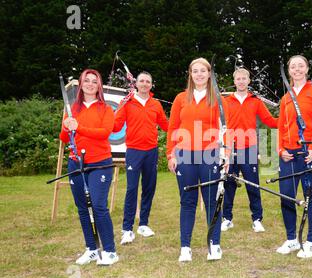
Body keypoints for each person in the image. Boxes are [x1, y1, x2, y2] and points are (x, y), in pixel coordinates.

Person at [167, 57, 229, 262]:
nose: (199, 74)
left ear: (209, 74)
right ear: (190, 74)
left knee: (212, 201)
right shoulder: (180, 98)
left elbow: (226, 131)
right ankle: (185, 247)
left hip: (210, 156)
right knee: (188, 202)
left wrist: (226, 155)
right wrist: (171, 154)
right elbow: (173, 128)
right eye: (195, 71)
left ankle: (214, 244)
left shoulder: (219, 99)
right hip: (184, 156)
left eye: (203, 70)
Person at [59, 69, 118, 265]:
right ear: (81, 84)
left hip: (100, 163)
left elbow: (104, 133)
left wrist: (79, 127)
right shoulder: (72, 109)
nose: (90, 84)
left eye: (94, 81)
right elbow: (64, 137)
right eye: (87, 80)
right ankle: (91, 248)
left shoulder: (106, 109)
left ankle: (109, 251)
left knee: (99, 206)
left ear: (98, 86)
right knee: (82, 208)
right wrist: (67, 126)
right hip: (76, 162)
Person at [277, 55, 312, 258]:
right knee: (287, 196)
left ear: (307, 69)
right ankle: (291, 240)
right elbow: (281, 126)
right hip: (288, 155)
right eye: (293, 66)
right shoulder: (285, 98)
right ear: (289, 71)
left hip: (309, 152)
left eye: (301, 66)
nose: (297, 69)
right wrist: (280, 150)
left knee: (311, 196)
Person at [113, 71, 169, 245]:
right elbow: (115, 127)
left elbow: (166, 126)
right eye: (142, 81)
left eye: (148, 81)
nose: (145, 84)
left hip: (151, 151)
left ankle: (143, 224)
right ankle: (127, 229)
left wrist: (182, 120)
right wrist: (111, 112)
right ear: (136, 83)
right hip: (134, 152)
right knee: (132, 189)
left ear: (151, 85)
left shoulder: (156, 104)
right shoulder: (127, 102)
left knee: (149, 187)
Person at [221, 68, 278, 233]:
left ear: (248, 81)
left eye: (244, 78)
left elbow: (268, 120)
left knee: (253, 185)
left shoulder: (255, 101)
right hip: (229, 148)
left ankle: (257, 219)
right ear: (234, 81)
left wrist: (287, 120)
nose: (241, 81)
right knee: (228, 183)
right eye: (238, 78)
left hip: (249, 148)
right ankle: (227, 218)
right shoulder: (227, 101)